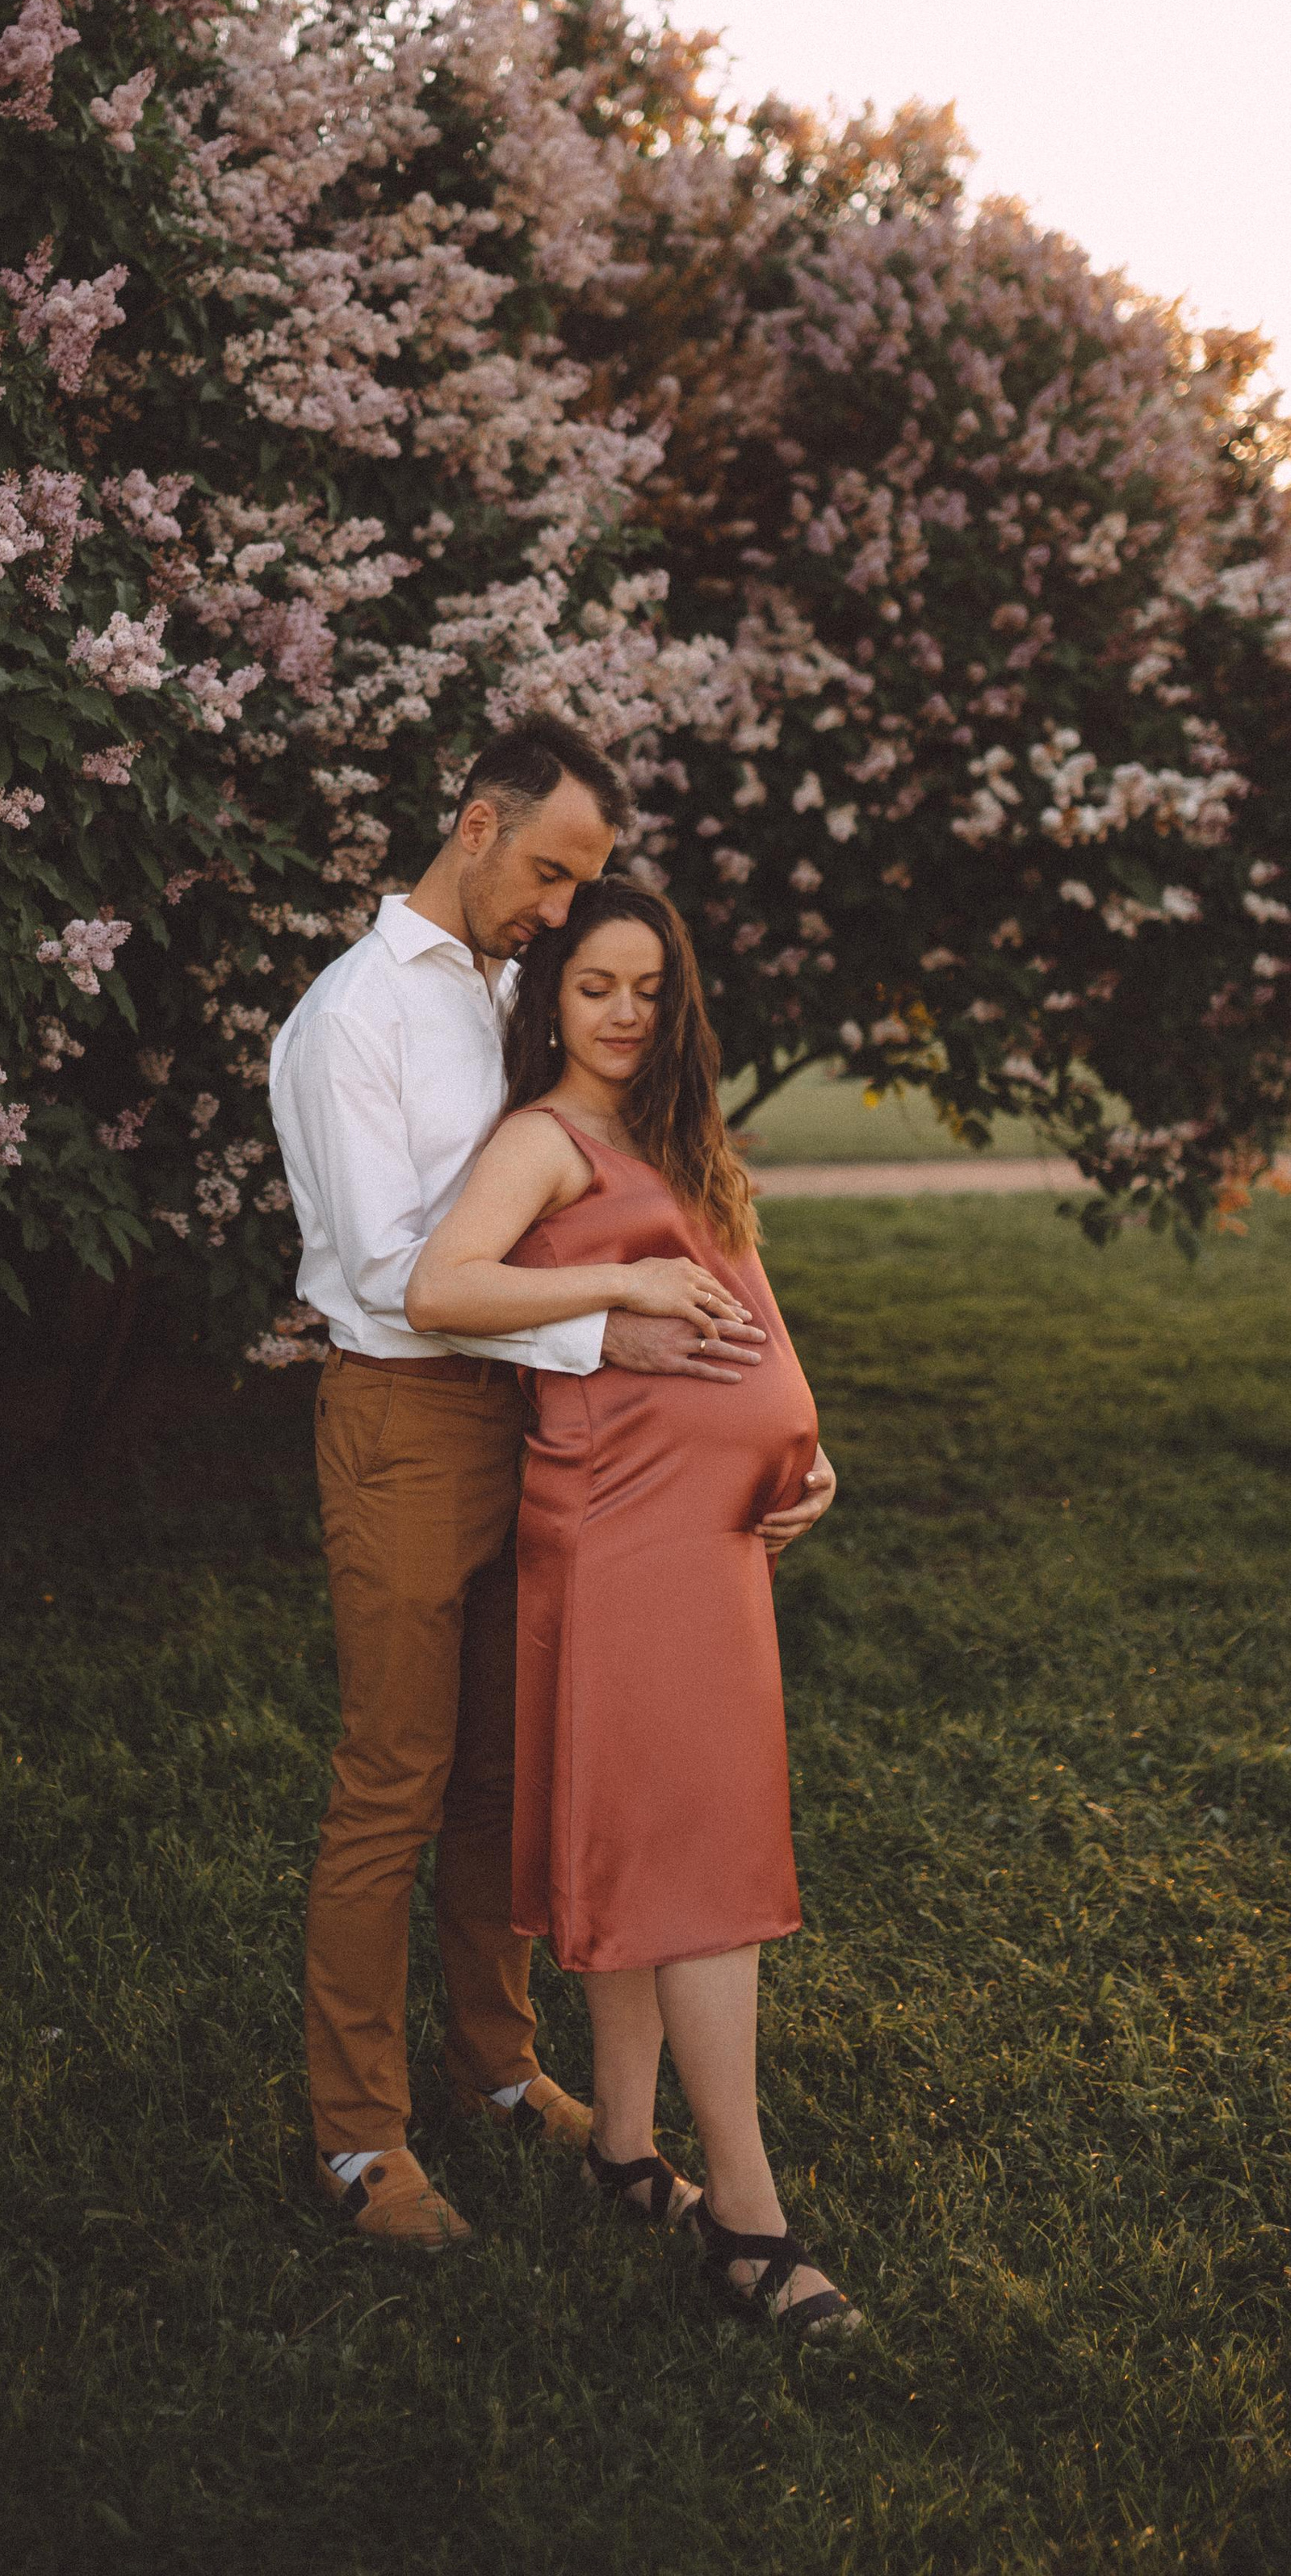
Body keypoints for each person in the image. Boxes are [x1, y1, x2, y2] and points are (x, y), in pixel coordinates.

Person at [268, 718, 775, 2255]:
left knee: (502, 1768)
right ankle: (362, 2136)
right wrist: (610, 1308)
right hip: (411, 1420)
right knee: (395, 1778)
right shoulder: (352, 1017)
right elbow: (400, 1279)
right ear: (475, 823)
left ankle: (498, 2063)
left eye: (586, 886)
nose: (563, 911)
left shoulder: (506, 986)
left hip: (544, 1425)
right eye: (551, 872)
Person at [406, 878, 853, 2333]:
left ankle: (618, 2147)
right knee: (699, 1864)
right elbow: (438, 1286)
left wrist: (810, 1448)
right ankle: (748, 2218)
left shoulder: (679, 1132)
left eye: (648, 988)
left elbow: (754, 1301)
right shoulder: (543, 1140)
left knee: (676, 1840)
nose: (621, 1012)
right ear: (556, 997)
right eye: (595, 983)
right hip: (622, 1535)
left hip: (716, 1538)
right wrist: (623, 1275)